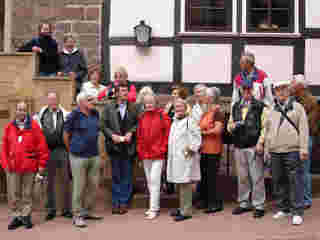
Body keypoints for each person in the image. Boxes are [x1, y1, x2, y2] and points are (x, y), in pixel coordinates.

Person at [265, 80, 309, 225]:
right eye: (277, 90)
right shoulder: (272, 109)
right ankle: (283, 208)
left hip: (292, 150)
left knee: (295, 180)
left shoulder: (298, 108)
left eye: (283, 89)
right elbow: (268, 130)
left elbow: (304, 129)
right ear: (275, 93)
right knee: (278, 180)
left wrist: (303, 149)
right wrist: (267, 149)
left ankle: (297, 211)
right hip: (275, 150)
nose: (281, 92)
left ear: (288, 91)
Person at [1, 101, 49, 230]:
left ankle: (26, 216)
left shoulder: (34, 126)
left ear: (26, 111)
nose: (21, 112)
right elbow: (4, 147)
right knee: (14, 193)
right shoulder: (9, 127)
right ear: (16, 111)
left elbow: (42, 146)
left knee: (27, 193)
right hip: (13, 167)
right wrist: (5, 164)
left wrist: (42, 164)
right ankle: (17, 216)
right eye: (19, 109)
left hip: (30, 166)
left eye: (23, 110)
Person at [228, 80, 268, 218]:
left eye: (249, 89)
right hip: (239, 145)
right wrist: (231, 127)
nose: (246, 92)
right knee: (242, 177)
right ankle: (244, 203)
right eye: (244, 90)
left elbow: (265, 127)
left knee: (257, 176)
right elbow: (230, 123)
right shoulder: (235, 106)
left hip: (253, 145)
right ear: (240, 91)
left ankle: (259, 205)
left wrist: (260, 143)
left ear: (252, 90)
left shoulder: (260, 106)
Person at [63, 92, 103, 228]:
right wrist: (72, 150)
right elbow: (66, 135)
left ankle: (88, 211)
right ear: (81, 103)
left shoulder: (95, 114)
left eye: (92, 99)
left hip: (94, 155)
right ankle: (77, 215)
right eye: (89, 99)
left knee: (94, 186)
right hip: (78, 156)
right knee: (79, 187)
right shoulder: (73, 115)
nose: (93, 101)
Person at [100, 81, 139, 215]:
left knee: (127, 175)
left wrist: (131, 132)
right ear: (116, 93)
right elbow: (103, 125)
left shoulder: (134, 107)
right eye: (122, 91)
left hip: (128, 146)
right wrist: (112, 136)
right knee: (116, 175)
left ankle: (123, 202)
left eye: (126, 91)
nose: (125, 93)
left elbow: (138, 123)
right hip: (114, 146)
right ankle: (116, 203)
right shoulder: (108, 107)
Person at [34, 92, 72, 221]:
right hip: (47, 151)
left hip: (62, 150)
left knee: (66, 180)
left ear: (58, 100)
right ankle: (50, 209)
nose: (53, 102)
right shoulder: (42, 114)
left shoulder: (65, 114)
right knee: (48, 182)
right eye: (50, 99)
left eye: (55, 99)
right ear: (47, 101)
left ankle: (66, 209)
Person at [136, 94, 171, 219]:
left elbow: (167, 135)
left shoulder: (163, 116)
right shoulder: (142, 117)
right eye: (147, 103)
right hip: (145, 154)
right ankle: (154, 205)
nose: (149, 105)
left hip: (158, 154)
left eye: (151, 102)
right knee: (150, 181)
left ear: (156, 103)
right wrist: (140, 150)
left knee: (155, 180)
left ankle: (153, 208)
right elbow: (139, 135)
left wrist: (163, 148)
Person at [167, 98, 202, 222]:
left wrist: (190, 150)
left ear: (185, 107)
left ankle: (186, 211)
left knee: (185, 184)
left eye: (181, 106)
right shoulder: (175, 121)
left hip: (185, 158)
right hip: (175, 158)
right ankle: (181, 207)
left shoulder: (190, 121)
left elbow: (197, 137)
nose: (178, 109)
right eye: (176, 107)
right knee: (179, 182)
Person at [290, 74, 320, 210]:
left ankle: (306, 200)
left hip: (306, 138)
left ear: (299, 87)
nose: (290, 85)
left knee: (304, 170)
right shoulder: (293, 100)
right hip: (294, 137)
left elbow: (309, 124)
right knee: (296, 170)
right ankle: (297, 197)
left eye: (293, 83)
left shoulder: (312, 101)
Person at [199, 87, 224, 214]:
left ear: (212, 97)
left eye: (207, 95)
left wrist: (203, 132)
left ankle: (215, 203)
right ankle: (205, 201)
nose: (204, 97)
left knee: (212, 177)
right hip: (204, 149)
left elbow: (218, 130)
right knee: (204, 177)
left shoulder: (218, 112)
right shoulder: (205, 111)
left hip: (213, 149)